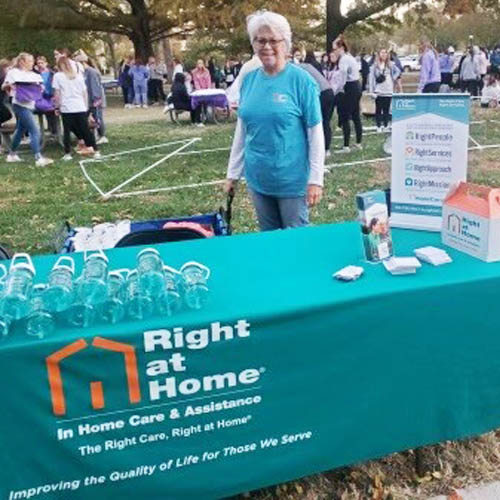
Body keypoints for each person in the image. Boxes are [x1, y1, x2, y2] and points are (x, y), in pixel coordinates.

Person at [225, 10, 325, 231]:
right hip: (258, 179)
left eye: (273, 40)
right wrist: (232, 174)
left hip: (291, 180)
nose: (266, 46)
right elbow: (242, 130)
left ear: (285, 43)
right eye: (260, 40)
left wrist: (316, 179)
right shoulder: (248, 80)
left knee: (295, 242)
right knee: (268, 240)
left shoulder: (302, 81)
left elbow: (315, 133)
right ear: (253, 44)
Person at [1, 52, 53, 166]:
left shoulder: (33, 74)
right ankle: (38, 158)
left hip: (30, 105)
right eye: (29, 61)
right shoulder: (13, 73)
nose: (32, 63)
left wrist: (41, 87)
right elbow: (3, 86)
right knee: (35, 130)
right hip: (20, 105)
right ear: (22, 62)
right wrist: (9, 86)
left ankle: (12, 155)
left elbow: (40, 87)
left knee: (20, 131)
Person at [52, 56, 99, 161]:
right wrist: (86, 106)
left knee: (67, 131)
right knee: (85, 129)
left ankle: (67, 153)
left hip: (67, 107)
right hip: (80, 106)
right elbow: (84, 93)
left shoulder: (58, 76)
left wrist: (57, 106)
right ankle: (95, 150)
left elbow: (57, 93)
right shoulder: (79, 76)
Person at [295, 49, 335, 157]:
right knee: (325, 122)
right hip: (329, 91)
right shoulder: (308, 66)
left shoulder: (297, 70)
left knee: (317, 122)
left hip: (322, 93)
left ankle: (318, 149)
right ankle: (326, 149)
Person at [332, 35, 362, 152]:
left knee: (344, 116)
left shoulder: (344, 59)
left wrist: (336, 91)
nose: (334, 51)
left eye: (335, 49)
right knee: (355, 116)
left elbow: (342, 79)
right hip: (356, 86)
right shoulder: (350, 57)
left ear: (341, 48)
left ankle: (346, 146)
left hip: (350, 87)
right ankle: (358, 143)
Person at [75, 54, 108, 145]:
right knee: (90, 119)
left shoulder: (91, 72)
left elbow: (95, 86)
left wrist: (96, 99)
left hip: (95, 99)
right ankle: (93, 135)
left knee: (97, 117)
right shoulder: (83, 72)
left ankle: (102, 135)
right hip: (88, 100)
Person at [369, 48, 400, 132]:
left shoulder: (391, 64)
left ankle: (386, 125)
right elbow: (371, 78)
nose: (384, 54)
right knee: (378, 109)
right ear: (379, 54)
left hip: (388, 89)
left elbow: (398, 71)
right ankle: (378, 126)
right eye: (382, 53)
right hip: (379, 90)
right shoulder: (375, 65)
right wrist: (371, 91)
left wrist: (393, 78)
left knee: (386, 109)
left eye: (385, 53)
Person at [34, 55, 58, 135]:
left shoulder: (51, 73)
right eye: (38, 63)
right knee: (47, 113)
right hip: (42, 96)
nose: (40, 64)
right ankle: (51, 130)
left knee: (53, 114)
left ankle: (55, 130)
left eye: (42, 63)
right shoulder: (36, 75)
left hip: (51, 95)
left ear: (46, 63)